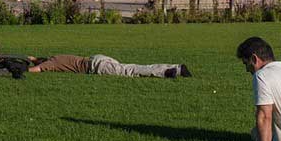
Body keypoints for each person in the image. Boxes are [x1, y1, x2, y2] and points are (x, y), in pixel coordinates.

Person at [20, 53, 189, 78]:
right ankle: (176, 67)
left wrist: (17, 69)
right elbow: (33, 58)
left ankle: (168, 71)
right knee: (130, 66)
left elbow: (35, 68)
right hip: (98, 58)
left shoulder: (51, 63)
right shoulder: (54, 56)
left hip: (96, 67)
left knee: (130, 71)